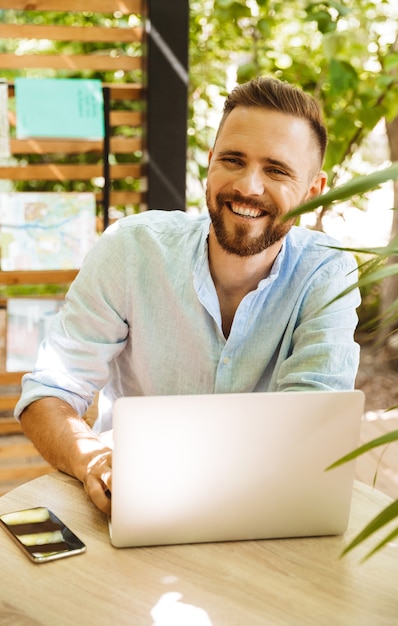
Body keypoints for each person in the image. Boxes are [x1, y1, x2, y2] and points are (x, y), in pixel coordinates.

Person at [15, 76, 360, 515]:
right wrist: (93, 459)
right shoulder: (130, 247)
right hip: (134, 502)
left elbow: (312, 424)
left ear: (313, 191)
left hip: (261, 509)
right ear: (210, 162)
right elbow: (50, 390)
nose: (248, 186)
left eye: (276, 170)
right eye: (233, 160)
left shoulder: (327, 272)